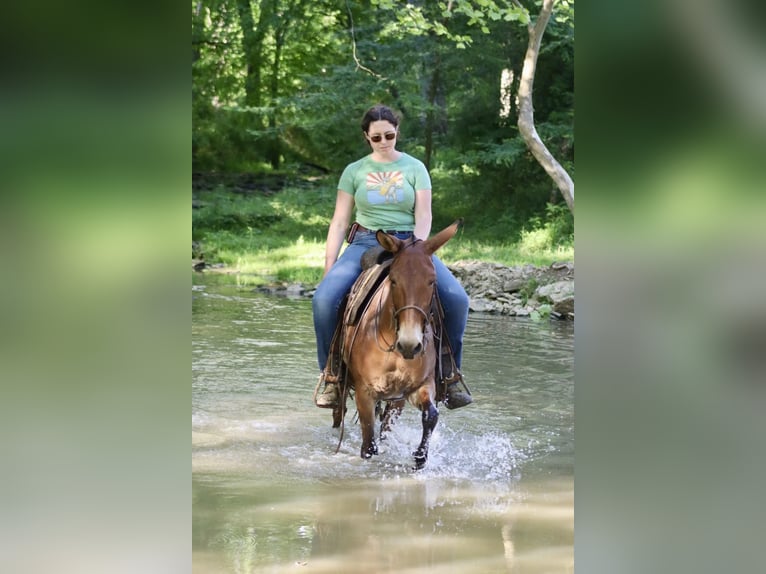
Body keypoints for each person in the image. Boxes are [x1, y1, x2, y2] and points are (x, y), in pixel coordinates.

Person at [312, 104, 472, 409]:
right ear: (366, 137)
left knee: (457, 299)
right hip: (365, 242)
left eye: (390, 135)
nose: (384, 141)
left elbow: (424, 213)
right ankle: (331, 376)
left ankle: (450, 375)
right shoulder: (354, 171)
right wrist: (329, 266)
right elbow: (339, 221)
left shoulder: (415, 168)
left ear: (397, 132)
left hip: (411, 242)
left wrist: (418, 249)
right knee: (323, 299)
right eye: (377, 137)